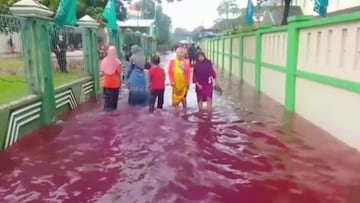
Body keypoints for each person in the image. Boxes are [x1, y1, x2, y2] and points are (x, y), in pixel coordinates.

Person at [168, 47, 191, 113]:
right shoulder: (172, 62)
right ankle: (176, 113)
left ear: (184, 54)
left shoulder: (186, 62)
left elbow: (188, 73)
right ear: (176, 53)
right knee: (176, 100)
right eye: (178, 52)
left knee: (184, 98)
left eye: (181, 52)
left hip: (184, 84)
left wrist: (188, 83)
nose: (180, 54)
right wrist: (171, 81)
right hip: (175, 84)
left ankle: (185, 112)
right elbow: (169, 72)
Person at [100, 46, 122, 112]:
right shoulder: (117, 61)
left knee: (107, 100)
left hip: (106, 84)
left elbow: (102, 71)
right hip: (115, 85)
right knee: (113, 102)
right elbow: (119, 72)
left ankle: (106, 110)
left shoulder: (104, 61)